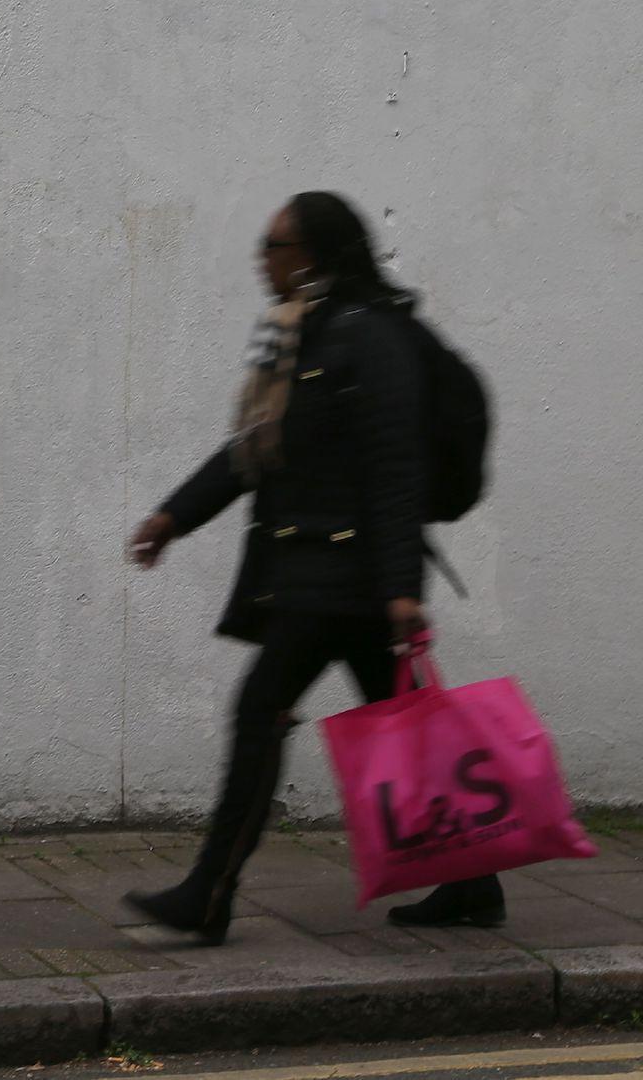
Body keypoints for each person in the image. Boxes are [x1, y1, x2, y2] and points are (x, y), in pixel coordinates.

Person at [123, 191, 502, 942]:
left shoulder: (372, 338)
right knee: (404, 729)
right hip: (325, 574)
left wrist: (400, 590)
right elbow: (255, 449)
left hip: (346, 578)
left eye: (276, 246)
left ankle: (209, 893)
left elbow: (397, 468)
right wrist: (175, 515)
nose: (263, 260)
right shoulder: (303, 334)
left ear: (315, 255)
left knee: (260, 710)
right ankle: (471, 884)